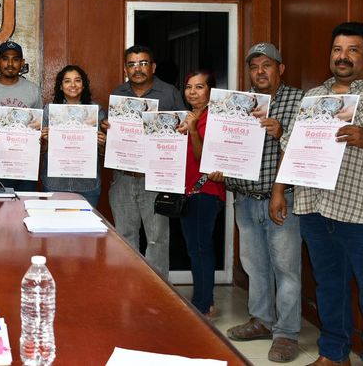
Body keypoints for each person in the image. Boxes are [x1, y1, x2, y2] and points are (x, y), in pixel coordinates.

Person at [270, 22, 363, 366]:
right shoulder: (313, 97)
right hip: (315, 209)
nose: (343, 57)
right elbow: (291, 147)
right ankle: (333, 355)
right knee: (329, 288)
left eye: (352, 50)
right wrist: (278, 191)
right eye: (338, 49)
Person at [216, 43, 303, 363]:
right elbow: (225, 144)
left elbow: (306, 147)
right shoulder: (238, 103)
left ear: (280, 68)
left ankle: (287, 334)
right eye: (254, 67)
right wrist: (219, 164)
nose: (260, 72)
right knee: (255, 266)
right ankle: (263, 321)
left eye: (267, 65)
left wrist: (280, 131)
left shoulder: (299, 100)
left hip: (282, 199)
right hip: (245, 198)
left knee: (286, 268)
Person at [106, 46, 186, 278]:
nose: (137, 69)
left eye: (142, 63)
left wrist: (181, 128)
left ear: (153, 67)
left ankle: (159, 292)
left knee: (157, 239)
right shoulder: (118, 94)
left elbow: (184, 131)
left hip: (155, 180)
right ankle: (128, 288)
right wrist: (107, 130)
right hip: (123, 177)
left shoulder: (169, 93)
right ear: (125, 68)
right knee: (125, 237)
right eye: (132, 64)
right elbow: (114, 137)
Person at [180, 70, 226, 318]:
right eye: (189, 87)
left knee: (200, 248)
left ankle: (203, 304)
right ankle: (202, 299)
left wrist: (194, 131)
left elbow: (202, 158)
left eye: (199, 87)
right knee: (195, 247)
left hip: (205, 190)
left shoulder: (214, 117)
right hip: (187, 188)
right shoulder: (186, 116)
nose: (192, 92)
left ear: (210, 91)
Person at [40, 65, 106, 207]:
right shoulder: (49, 111)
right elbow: (42, 150)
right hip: (55, 183)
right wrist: (44, 140)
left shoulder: (96, 111)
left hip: (87, 184)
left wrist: (102, 143)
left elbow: (103, 153)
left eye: (77, 80)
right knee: (55, 227)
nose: (73, 85)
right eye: (67, 81)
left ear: (83, 85)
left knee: (86, 228)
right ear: (61, 86)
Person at [0, 41, 43, 191]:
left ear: (22, 62)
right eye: (5, 58)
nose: (10, 63)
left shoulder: (33, 90)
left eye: (15, 59)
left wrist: (40, 138)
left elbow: (39, 128)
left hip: (25, 164)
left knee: (24, 210)